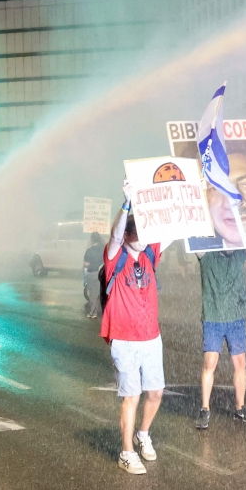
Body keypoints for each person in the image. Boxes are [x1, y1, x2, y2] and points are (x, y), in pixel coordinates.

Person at [101, 181, 166, 475]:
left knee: (156, 393)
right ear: (127, 235)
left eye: (144, 232)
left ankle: (143, 434)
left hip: (152, 337)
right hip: (124, 339)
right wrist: (127, 202)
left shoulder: (151, 253)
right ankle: (126, 452)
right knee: (132, 396)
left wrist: (197, 191)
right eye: (135, 233)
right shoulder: (116, 256)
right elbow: (114, 234)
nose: (142, 237)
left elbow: (173, 227)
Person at [195, 248, 246, 429]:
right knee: (210, 363)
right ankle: (205, 409)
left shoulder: (239, 253)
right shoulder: (206, 256)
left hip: (236, 319)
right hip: (213, 318)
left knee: (240, 363)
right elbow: (192, 238)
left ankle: (240, 408)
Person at [83, 232, 104, 319]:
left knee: (93, 294)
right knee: (99, 292)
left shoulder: (89, 250)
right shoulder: (103, 249)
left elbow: (86, 264)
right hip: (102, 273)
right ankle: (99, 311)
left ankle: (92, 312)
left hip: (92, 273)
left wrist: (85, 278)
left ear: (91, 239)